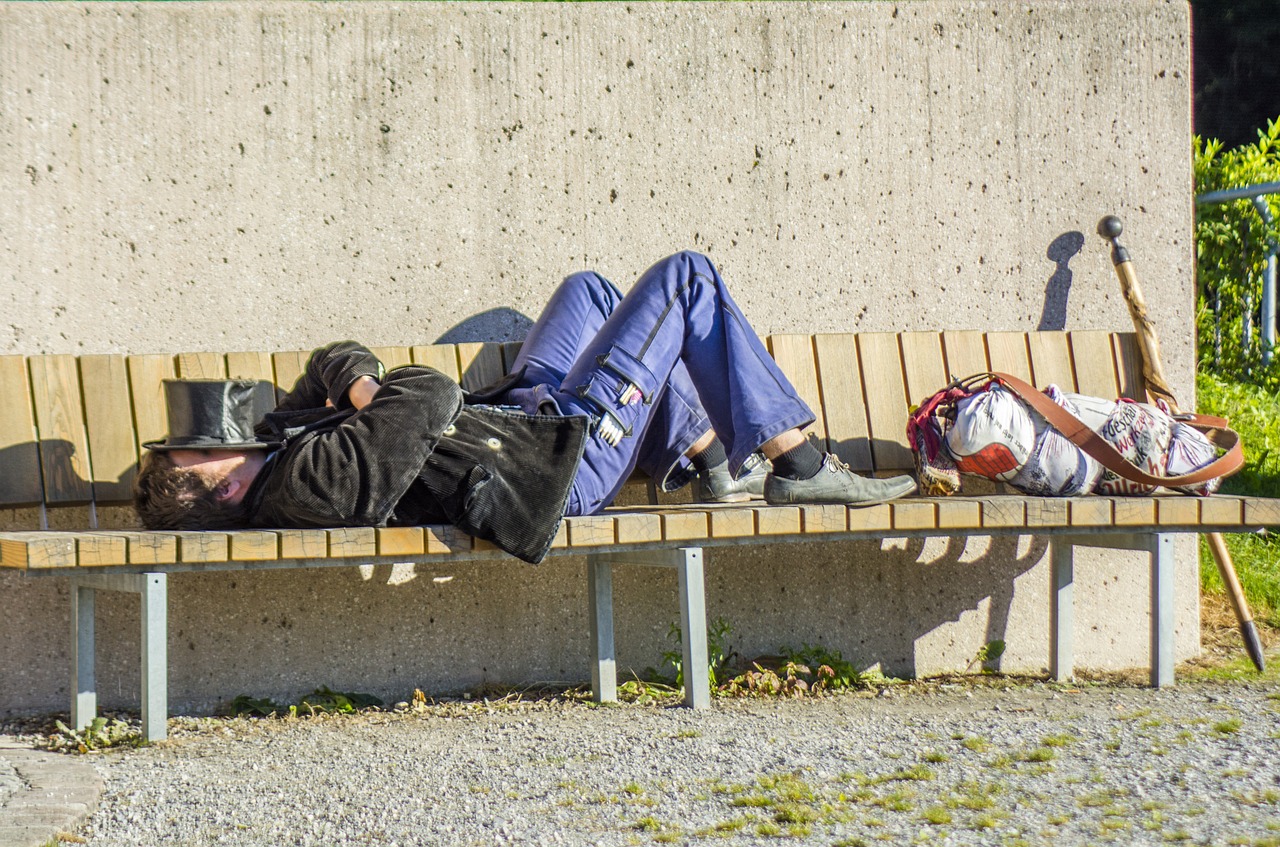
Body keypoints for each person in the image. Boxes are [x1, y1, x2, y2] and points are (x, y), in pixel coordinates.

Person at [135, 251, 916, 563]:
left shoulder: (275, 445)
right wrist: (378, 400)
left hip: (519, 423)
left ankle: (710, 455)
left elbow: (327, 361)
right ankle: (799, 462)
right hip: (556, 469)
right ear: (226, 488)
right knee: (685, 279)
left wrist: (360, 385)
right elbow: (434, 393)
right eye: (202, 448)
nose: (219, 430)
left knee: (590, 291)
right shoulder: (306, 483)